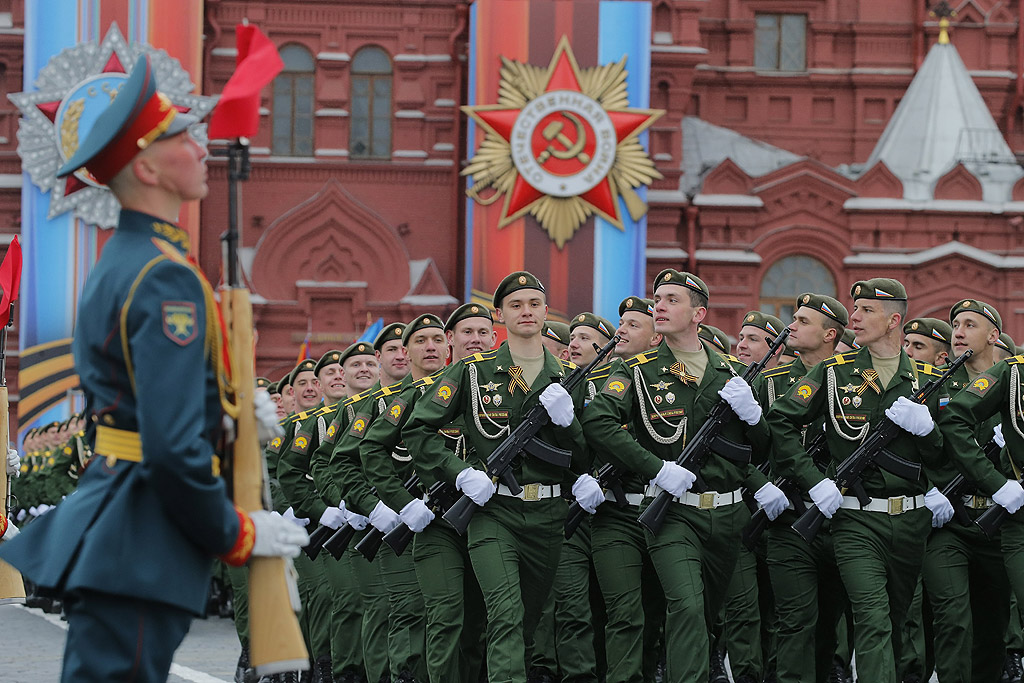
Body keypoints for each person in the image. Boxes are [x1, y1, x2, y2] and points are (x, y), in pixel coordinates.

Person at [0, 55, 307, 681]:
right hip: (139, 533)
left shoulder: (131, 260)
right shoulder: (164, 275)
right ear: (145, 166)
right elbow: (167, 444)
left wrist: (225, 412)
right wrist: (236, 533)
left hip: (125, 525)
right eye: (179, 139)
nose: (199, 149)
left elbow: (143, 401)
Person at [582, 269, 783, 681]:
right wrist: (657, 468)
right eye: (658, 298)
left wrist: (753, 414)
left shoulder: (733, 372)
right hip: (673, 514)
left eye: (673, 299)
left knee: (705, 617)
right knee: (687, 607)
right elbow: (599, 422)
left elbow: (762, 449)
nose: (660, 305)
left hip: (728, 516)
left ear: (699, 313)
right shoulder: (637, 370)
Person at [403, 271, 589, 683]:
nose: (526, 312)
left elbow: (585, 455)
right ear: (500, 315)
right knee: (505, 612)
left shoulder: (569, 376)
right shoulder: (472, 371)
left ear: (545, 311)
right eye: (516, 305)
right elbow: (418, 429)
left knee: (527, 624)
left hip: (549, 514)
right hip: (494, 511)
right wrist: (461, 473)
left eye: (533, 304)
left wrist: (570, 422)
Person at [766, 278, 947, 683]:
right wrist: (814, 481)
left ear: (893, 320)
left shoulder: (925, 380)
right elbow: (780, 419)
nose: (857, 317)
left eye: (867, 310)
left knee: (897, 624)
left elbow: (943, 457)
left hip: (910, 522)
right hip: (855, 521)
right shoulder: (833, 372)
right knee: (873, 618)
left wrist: (928, 431)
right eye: (856, 308)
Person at [756, 293, 850, 683]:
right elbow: (743, 448)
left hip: (844, 521)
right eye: (793, 318)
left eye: (803, 321)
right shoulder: (770, 382)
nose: (790, 326)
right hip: (789, 517)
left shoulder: (855, 379)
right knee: (795, 621)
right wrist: (762, 486)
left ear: (830, 334)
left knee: (829, 625)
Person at [921, 299, 1011, 683]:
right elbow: (920, 451)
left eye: (969, 324)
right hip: (950, 523)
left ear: (993, 335)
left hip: (1002, 522)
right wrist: (929, 489)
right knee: (953, 618)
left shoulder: (1013, 385)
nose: (957, 332)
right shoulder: (938, 385)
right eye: (955, 324)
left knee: (992, 628)